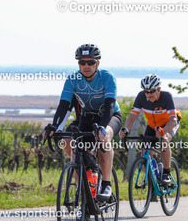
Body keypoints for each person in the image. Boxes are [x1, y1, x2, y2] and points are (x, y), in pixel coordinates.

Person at [43, 44, 122, 199]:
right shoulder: (73, 79)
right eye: (82, 62)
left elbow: (110, 106)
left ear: (97, 63)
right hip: (87, 117)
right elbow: (64, 106)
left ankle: (106, 184)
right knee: (68, 142)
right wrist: (54, 127)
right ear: (78, 64)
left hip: (110, 116)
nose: (86, 66)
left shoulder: (107, 77)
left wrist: (102, 127)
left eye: (91, 62)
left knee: (104, 138)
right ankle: (82, 189)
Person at [119, 74, 180, 185]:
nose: (149, 94)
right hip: (153, 125)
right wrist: (126, 129)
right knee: (144, 153)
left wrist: (163, 131)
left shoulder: (166, 96)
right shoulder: (141, 97)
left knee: (164, 140)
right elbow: (132, 117)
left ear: (159, 89)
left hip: (169, 124)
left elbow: (173, 120)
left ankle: (166, 173)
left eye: (152, 91)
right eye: (146, 91)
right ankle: (153, 181)